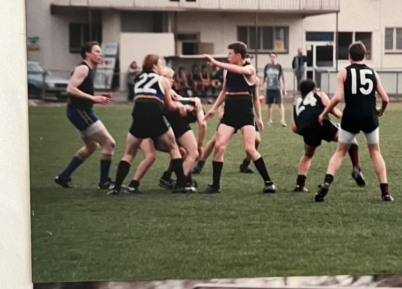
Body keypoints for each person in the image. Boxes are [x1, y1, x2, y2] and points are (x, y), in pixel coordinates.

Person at [314, 41, 392, 202]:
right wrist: (381, 111)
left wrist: (324, 113)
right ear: (364, 56)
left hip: (350, 116)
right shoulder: (373, 73)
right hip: (370, 116)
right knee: (375, 152)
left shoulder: (344, 72)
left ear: (349, 57)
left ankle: (327, 183)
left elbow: (336, 98)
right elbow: (385, 98)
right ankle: (385, 192)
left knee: (340, 152)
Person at [108, 54, 190, 195]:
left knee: (129, 153)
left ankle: (116, 188)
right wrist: (181, 107)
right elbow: (169, 107)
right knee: (174, 148)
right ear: (154, 66)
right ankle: (181, 185)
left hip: (138, 116)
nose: (161, 67)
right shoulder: (162, 80)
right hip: (155, 115)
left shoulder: (138, 79)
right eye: (159, 64)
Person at [201, 43, 276, 194]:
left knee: (250, 148)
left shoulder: (249, 69)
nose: (228, 56)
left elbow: (240, 70)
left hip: (245, 113)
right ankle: (215, 185)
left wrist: (215, 63)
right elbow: (223, 92)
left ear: (239, 56)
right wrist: (214, 109)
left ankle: (269, 183)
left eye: (230, 54)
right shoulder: (227, 71)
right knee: (219, 146)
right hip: (230, 113)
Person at [54, 41, 115, 190]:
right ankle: (104, 182)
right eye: (97, 51)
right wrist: (94, 98)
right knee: (109, 143)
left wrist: (97, 96)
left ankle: (64, 176)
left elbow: (79, 89)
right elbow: (70, 89)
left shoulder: (86, 69)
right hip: (80, 112)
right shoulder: (83, 68)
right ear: (87, 54)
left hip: (78, 111)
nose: (100, 54)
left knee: (91, 146)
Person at [292, 78, 364, 193]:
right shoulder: (319, 94)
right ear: (314, 89)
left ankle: (300, 185)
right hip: (323, 124)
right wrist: (340, 114)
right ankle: (356, 167)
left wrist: (307, 130)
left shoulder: (296, 103)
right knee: (351, 139)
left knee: (308, 155)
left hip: (308, 130)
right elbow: (332, 109)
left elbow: (294, 127)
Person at [262, 52, 286, 126]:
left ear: (276, 57)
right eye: (271, 56)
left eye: (274, 57)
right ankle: (269, 120)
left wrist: (284, 87)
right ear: (269, 57)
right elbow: (264, 77)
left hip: (277, 88)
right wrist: (262, 86)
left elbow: (283, 78)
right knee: (269, 105)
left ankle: (282, 120)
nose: (272, 58)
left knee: (280, 104)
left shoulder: (279, 66)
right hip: (269, 88)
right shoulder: (267, 66)